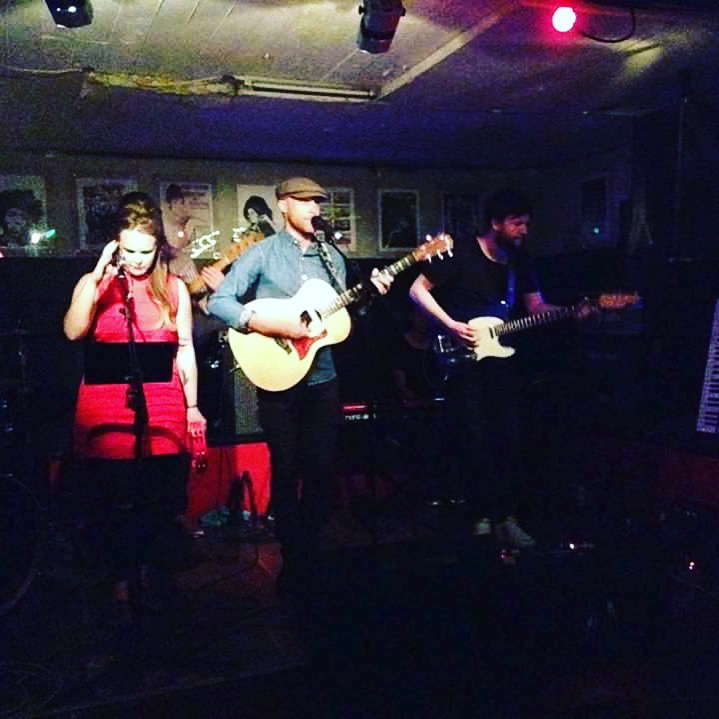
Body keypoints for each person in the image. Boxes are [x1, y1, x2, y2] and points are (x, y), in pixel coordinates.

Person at [208, 176, 393, 601]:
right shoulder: (262, 254)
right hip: (278, 378)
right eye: (305, 201)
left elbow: (344, 313)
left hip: (322, 376)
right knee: (287, 468)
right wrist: (265, 322)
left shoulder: (332, 256)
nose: (314, 208)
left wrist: (370, 293)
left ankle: (312, 548)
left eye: (318, 202)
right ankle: (293, 555)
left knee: (322, 469)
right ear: (283, 205)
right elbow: (221, 301)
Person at [409, 187, 587, 548]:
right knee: (473, 438)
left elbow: (535, 307)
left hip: (502, 361)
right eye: (517, 223)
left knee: (507, 437)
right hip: (463, 359)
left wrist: (573, 312)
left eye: (526, 224)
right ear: (495, 223)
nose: (524, 230)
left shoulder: (520, 262)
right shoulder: (461, 253)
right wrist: (450, 324)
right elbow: (417, 290)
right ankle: (478, 518)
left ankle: (504, 516)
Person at [64, 191, 207, 624]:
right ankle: (120, 584)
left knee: (159, 500)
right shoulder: (98, 284)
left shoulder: (174, 288)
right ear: (115, 245)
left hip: (162, 407)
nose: (138, 260)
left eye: (145, 251)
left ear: (158, 247)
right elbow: (73, 331)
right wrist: (97, 275)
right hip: (105, 409)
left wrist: (192, 406)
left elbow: (184, 349)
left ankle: (154, 576)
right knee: (112, 501)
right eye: (129, 251)